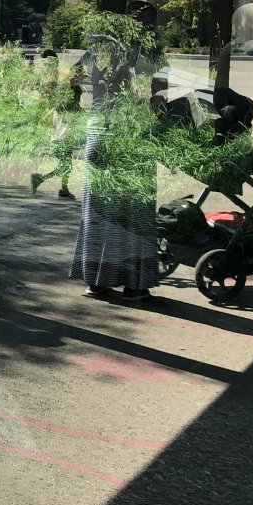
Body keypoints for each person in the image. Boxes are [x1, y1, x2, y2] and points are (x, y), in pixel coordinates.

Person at [71, 35, 162, 305]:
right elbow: (159, 96)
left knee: (98, 209)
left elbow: (67, 83)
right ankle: (134, 284)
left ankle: (97, 281)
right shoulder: (144, 53)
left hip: (97, 134)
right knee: (134, 210)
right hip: (127, 136)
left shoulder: (95, 52)